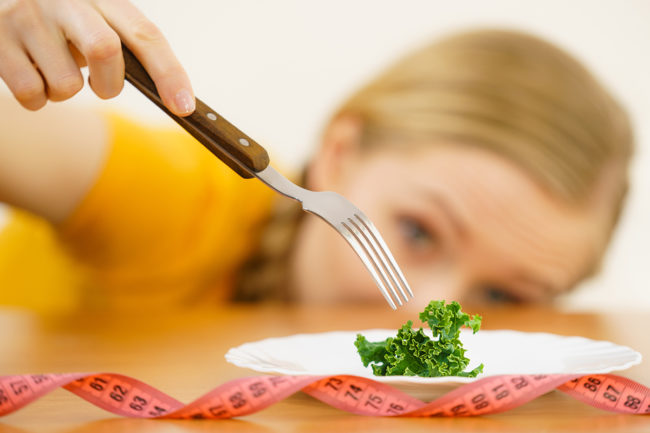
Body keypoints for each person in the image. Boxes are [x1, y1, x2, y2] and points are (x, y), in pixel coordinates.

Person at [0, 1, 633, 313]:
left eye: (503, 296)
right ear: (337, 156)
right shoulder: (183, 199)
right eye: (417, 232)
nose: (423, 314)